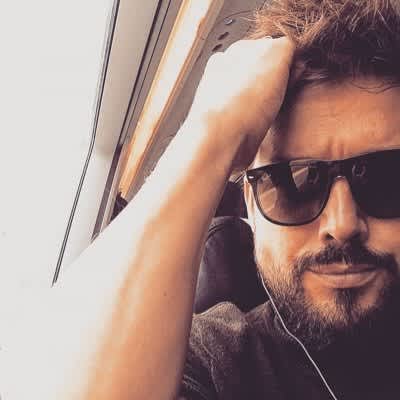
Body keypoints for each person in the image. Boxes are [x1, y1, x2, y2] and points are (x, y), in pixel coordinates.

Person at [3, 0, 400, 399]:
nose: (342, 224)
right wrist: (209, 134)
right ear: (250, 205)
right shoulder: (214, 362)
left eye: (386, 177)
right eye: (294, 183)